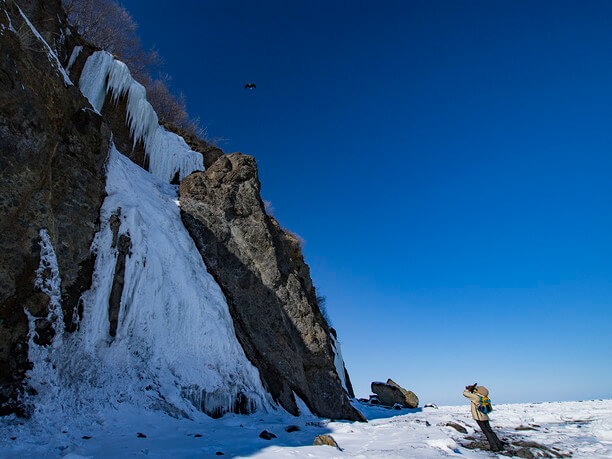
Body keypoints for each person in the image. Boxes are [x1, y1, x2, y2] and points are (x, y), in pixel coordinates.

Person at [463, 383, 503, 452]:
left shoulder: (476, 397)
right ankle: (499, 445)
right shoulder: (483, 397)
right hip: (485, 417)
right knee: (490, 431)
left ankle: (494, 447)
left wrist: (468, 389)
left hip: (479, 417)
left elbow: (465, 394)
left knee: (486, 432)